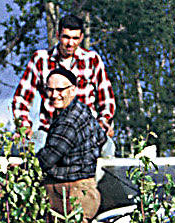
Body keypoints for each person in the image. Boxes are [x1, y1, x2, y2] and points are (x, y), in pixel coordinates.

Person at [12, 14, 115, 157]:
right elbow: (21, 98)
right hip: (50, 130)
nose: (70, 43)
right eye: (66, 37)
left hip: (85, 131)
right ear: (58, 35)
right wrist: (24, 125)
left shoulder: (92, 60)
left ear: (81, 38)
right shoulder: (41, 59)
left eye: (75, 38)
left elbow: (107, 100)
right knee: (26, 150)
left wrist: (103, 122)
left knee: (107, 150)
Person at [35, 67, 102, 223]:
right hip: (83, 189)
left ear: (73, 90)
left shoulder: (68, 121)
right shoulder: (82, 111)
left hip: (72, 193)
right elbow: (102, 138)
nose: (54, 94)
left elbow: (48, 158)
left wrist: (23, 167)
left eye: (60, 89)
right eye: (50, 90)